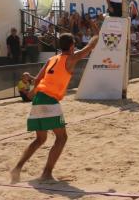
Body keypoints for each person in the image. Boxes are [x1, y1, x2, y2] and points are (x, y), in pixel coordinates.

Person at [11, 20, 100, 183]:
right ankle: (46, 173)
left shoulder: (51, 59)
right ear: (72, 45)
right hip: (50, 100)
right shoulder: (71, 59)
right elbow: (92, 45)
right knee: (61, 138)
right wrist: (96, 31)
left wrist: (30, 87)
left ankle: (17, 168)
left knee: (40, 139)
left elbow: (38, 80)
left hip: (39, 99)